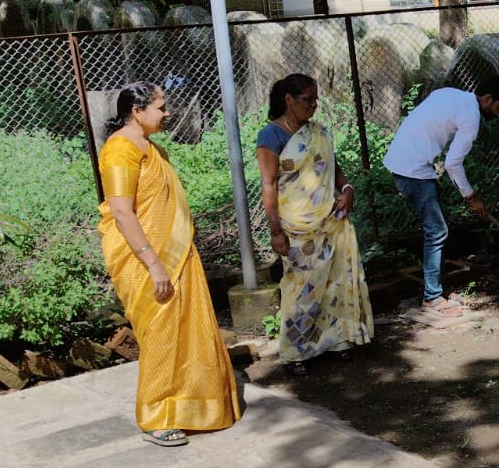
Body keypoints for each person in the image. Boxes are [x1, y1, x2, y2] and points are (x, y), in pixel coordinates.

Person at [97, 82, 240, 446]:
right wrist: (154, 264)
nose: (167, 113)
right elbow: (120, 211)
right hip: (145, 260)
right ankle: (156, 415)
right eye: (161, 107)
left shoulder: (153, 149)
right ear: (137, 111)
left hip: (174, 254)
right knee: (160, 334)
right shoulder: (119, 151)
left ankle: (192, 406)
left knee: (185, 331)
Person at [256, 74, 374, 375]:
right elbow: (268, 186)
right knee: (301, 289)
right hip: (297, 228)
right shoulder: (271, 136)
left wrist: (347, 191)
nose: (314, 105)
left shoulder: (317, 132)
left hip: (330, 221)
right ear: (288, 101)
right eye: (307, 99)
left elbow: (333, 169)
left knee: (334, 283)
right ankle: (296, 352)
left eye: (316, 98)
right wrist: (276, 231)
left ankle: (337, 342)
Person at [383, 77, 499, 320]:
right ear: (487, 99)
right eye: (498, 109)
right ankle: (432, 297)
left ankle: (438, 290)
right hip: (412, 169)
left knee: (437, 229)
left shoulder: (451, 94)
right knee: (436, 230)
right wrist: (471, 197)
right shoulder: (472, 116)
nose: (498, 115)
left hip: (405, 162)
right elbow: (453, 163)